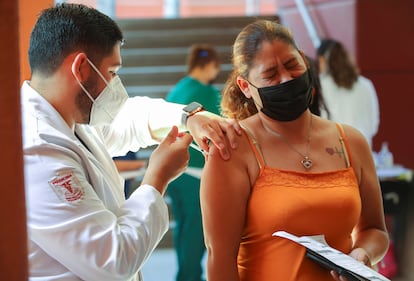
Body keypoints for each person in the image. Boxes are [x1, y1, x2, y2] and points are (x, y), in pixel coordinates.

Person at [23, 4, 241, 281]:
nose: (115, 84)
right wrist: (156, 179)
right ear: (80, 68)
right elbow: (113, 261)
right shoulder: (38, 152)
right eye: (112, 72)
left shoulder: (70, 120)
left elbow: (131, 120)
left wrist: (187, 118)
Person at [200, 20, 389, 281]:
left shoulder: (351, 142)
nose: (287, 79)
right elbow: (220, 257)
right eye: (270, 75)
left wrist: (362, 254)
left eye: (291, 65)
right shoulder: (233, 148)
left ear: (304, 60)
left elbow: (375, 230)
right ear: (245, 87)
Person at [165, 43, 221, 281]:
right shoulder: (207, 93)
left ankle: (184, 276)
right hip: (196, 174)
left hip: (176, 174)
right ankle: (189, 277)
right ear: (209, 66)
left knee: (183, 230)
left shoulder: (178, 89)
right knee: (195, 234)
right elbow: (223, 123)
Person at [316, 39, 380, 148]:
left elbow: (320, 121)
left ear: (323, 60)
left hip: (333, 150)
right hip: (363, 149)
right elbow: (373, 124)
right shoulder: (366, 84)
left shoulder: (321, 84)